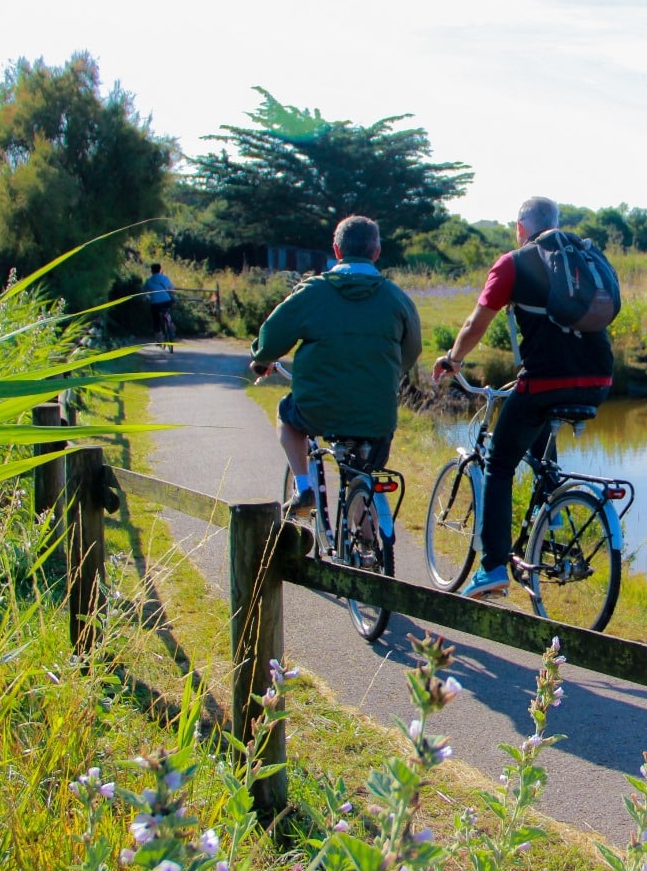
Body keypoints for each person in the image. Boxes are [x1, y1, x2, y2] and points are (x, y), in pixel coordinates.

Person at [431, 196, 614, 598]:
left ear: (520, 228)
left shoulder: (513, 262)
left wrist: (452, 359)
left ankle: (493, 566)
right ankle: (553, 516)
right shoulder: (582, 260)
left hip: (545, 381)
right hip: (599, 379)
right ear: (556, 224)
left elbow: (475, 323)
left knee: (498, 463)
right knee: (535, 427)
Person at [250, 216, 422, 516]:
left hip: (318, 409)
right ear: (376, 252)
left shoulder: (312, 292)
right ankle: (368, 548)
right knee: (361, 479)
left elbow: (272, 335)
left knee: (286, 415)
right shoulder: (396, 298)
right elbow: (412, 350)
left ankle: (304, 487)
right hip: (376, 413)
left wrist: (263, 360)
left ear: (337, 250)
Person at [143, 262, 175, 340]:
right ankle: (170, 324)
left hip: (155, 303)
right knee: (167, 311)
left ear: (151, 271)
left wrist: (144, 298)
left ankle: (158, 339)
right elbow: (171, 288)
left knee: (156, 320)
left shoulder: (149, 280)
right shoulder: (165, 278)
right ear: (160, 269)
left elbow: (144, 292)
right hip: (167, 301)